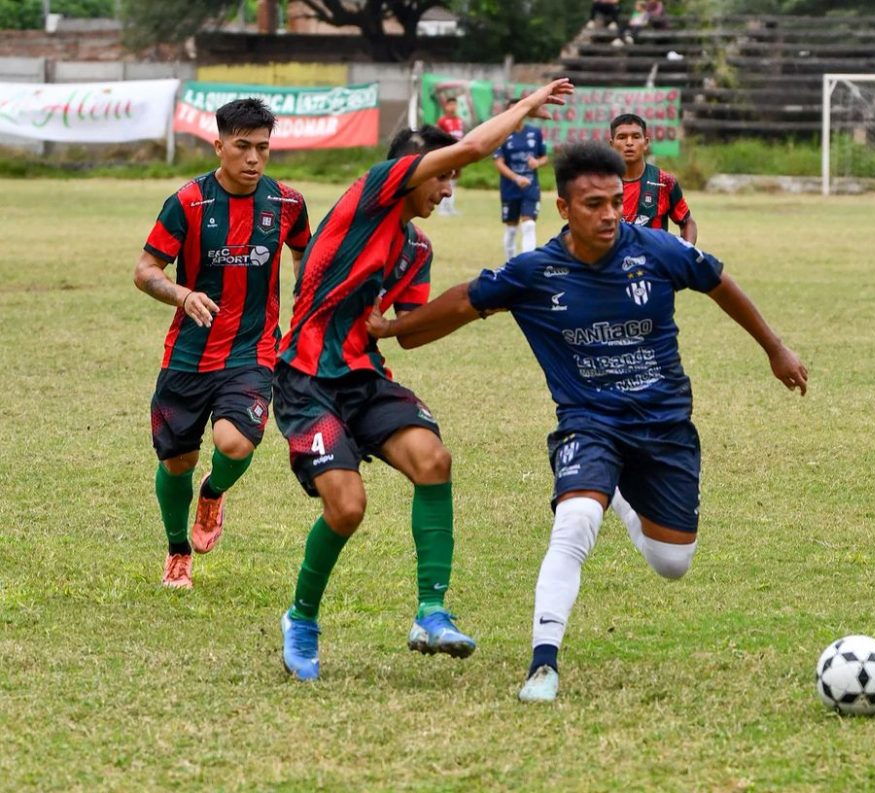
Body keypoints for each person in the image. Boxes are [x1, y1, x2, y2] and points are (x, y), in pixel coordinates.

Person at [369, 141, 808, 702]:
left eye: (616, 203)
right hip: (589, 423)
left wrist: (775, 348)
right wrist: (392, 331)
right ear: (564, 209)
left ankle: (620, 495)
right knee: (575, 521)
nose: (609, 215)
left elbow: (719, 282)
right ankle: (542, 665)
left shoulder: (657, 250)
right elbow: (463, 300)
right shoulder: (536, 271)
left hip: (665, 426)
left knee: (673, 562)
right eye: (594, 204)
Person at [275, 79, 576, 682]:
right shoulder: (370, 195)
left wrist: (474, 306)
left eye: (452, 181)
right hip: (306, 378)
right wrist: (521, 107)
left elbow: (407, 331)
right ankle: (301, 619)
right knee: (348, 506)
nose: (447, 188)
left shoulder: (416, 247)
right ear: (411, 172)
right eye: (442, 178)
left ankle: (431, 612)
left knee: (432, 460)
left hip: (363, 378)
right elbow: (465, 149)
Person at [133, 98, 311, 590]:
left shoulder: (287, 203)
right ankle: (176, 549)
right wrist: (182, 293)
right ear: (219, 145)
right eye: (243, 147)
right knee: (176, 462)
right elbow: (145, 271)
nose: (254, 158)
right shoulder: (188, 202)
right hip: (188, 355)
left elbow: (305, 256)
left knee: (234, 443)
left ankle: (213, 494)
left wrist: (308, 310)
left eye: (263, 148)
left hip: (253, 352)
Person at [609, 113, 698, 243]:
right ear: (612, 144)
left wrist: (685, 254)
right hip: (612, 261)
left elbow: (687, 222)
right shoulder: (600, 182)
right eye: (622, 137)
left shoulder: (664, 182)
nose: (629, 143)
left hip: (653, 262)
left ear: (645, 143)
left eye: (635, 137)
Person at [494, 101, 548, 261]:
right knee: (511, 228)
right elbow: (498, 162)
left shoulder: (535, 132)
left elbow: (544, 157)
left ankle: (526, 263)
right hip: (510, 187)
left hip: (531, 187)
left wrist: (537, 162)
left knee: (529, 225)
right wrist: (516, 178)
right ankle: (510, 263)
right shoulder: (501, 135)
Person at [435, 96, 465, 216]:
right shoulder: (442, 121)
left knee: (453, 181)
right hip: (447, 154)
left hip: (457, 154)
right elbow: (437, 137)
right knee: (444, 180)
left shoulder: (459, 120)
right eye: (450, 105)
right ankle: (442, 208)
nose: (453, 107)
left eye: (454, 105)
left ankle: (450, 207)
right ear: (446, 106)